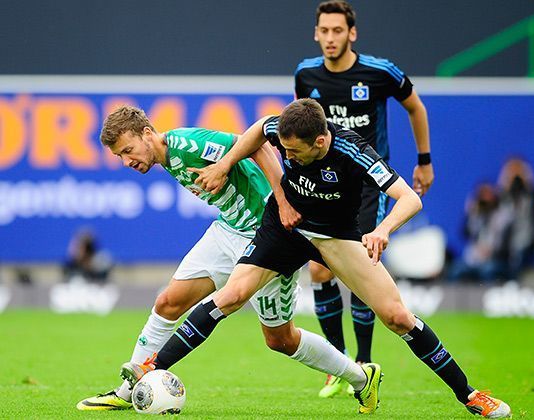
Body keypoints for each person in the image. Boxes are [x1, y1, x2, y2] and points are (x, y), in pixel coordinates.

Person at [122, 99, 511, 417]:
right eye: (284, 149)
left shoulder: (355, 153)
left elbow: (410, 198)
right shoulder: (285, 130)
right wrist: (225, 165)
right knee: (230, 296)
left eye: (294, 153)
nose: (287, 157)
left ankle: (470, 395)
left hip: (334, 236)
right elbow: (259, 129)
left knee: (397, 317)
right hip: (284, 228)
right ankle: (152, 370)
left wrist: (382, 230)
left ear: (321, 142)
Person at [76, 106, 371, 411]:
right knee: (168, 302)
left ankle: (360, 377)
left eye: (128, 150)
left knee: (281, 340)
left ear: (148, 134)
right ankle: (128, 389)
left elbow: (257, 146)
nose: (127, 161)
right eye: (120, 157)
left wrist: (284, 201)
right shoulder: (165, 158)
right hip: (229, 228)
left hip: (267, 237)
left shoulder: (190, 145)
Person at [294, 0, 434, 397]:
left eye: (338, 31)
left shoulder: (379, 72)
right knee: (319, 271)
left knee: (361, 269)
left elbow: (415, 106)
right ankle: (337, 362)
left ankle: (364, 359)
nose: (330, 38)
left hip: (368, 184)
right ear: (316, 33)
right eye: (324, 31)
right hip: (325, 183)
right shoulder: (306, 74)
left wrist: (424, 160)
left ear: (352, 33)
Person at [448, 183, 511, 282]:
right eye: (482, 196)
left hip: (494, 258)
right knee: (456, 270)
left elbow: (507, 244)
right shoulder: (475, 214)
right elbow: (465, 233)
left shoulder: (503, 216)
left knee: (488, 271)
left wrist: (492, 251)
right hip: (473, 260)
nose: (486, 199)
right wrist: (469, 214)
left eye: (488, 195)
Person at [496, 157, 534, 280]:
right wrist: (506, 182)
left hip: (524, 242)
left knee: (516, 260)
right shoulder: (502, 196)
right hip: (504, 243)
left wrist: (526, 179)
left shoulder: (532, 196)